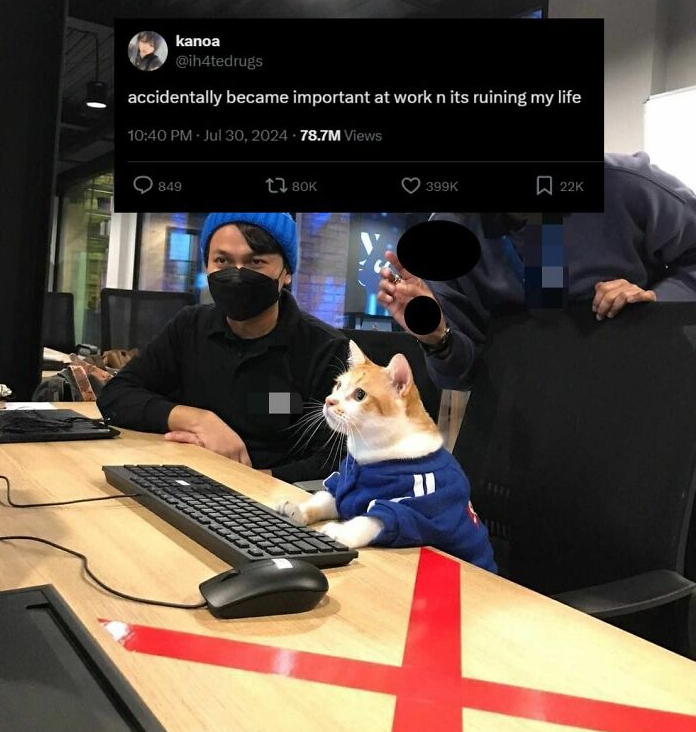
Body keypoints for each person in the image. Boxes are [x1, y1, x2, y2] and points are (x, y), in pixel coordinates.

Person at [377, 152, 696, 391]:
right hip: (529, 422)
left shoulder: (622, 184)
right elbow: (461, 374)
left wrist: (656, 302)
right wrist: (437, 338)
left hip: (644, 391)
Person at [97, 213, 349, 483]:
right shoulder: (189, 326)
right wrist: (197, 420)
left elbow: (336, 458)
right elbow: (116, 396)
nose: (238, 274)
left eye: (256, 262)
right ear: (207, 266)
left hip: (270, 500)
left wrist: (246, 480)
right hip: (181, 477)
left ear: (286, 272)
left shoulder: (324, 349)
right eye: (222, 261)